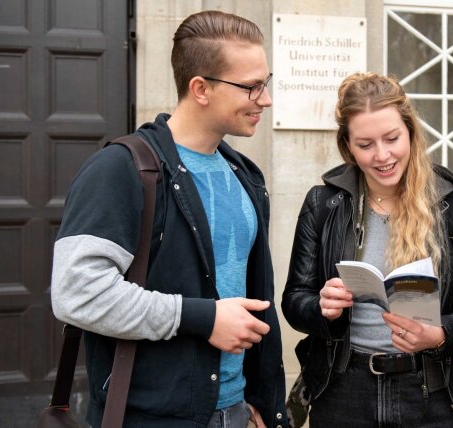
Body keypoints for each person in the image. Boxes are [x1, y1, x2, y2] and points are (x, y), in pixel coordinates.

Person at [51, 10, 286, 428]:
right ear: (200, 88)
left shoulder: (246, 176)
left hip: (236, 414)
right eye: (251, 87)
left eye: (265, 83)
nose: (265, 99)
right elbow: (76, 293)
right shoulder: (121, 169)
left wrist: (257, 403)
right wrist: (203, 318)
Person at [281, 72, 453, 427]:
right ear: (347, 145)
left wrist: (440, 334)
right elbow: (293, 300)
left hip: (431, 391)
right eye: (365, 145)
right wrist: (322, 307)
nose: (382, 155)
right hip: (344, 388)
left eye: (392, 138)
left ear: (411, 132)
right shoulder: (323, 204)